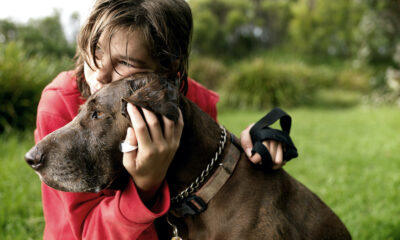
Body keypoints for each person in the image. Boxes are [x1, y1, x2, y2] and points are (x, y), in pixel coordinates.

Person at [34, 0, 286, 239]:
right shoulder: (60, 104)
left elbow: (210, 185)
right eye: (97, 49)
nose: (99, 73)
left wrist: (244, 150)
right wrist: (145, 185)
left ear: (168, 65)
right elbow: (89, 232)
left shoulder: (193, 102)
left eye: (124, 62)